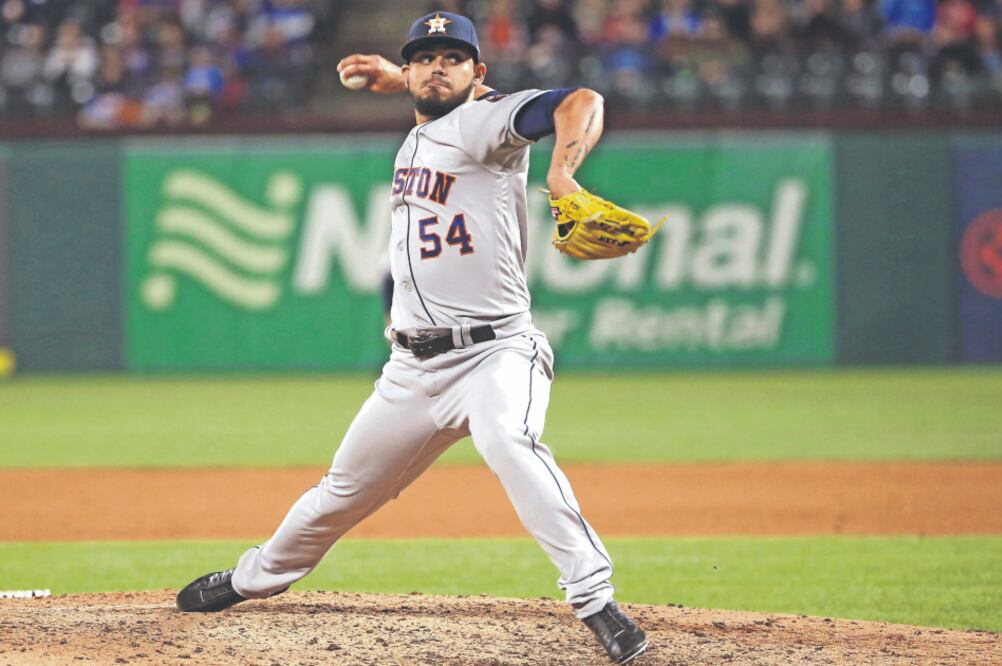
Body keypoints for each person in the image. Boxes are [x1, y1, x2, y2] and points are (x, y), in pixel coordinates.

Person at [175, 11, 650, 665]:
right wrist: (400, 77)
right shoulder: (424, 130)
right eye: (424, 56)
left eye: (451, 56)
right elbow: (425, 149)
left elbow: (579, 101)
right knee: (339, 493)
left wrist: (563, 174)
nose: (435, 65)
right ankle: (251, 579)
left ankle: (596, 601)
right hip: (413, 369)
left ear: (478, 72)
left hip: (495, 352)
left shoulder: (487, 123)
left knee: (508, 441)